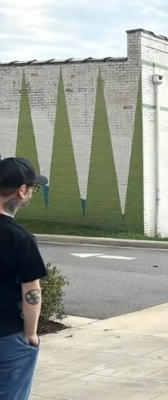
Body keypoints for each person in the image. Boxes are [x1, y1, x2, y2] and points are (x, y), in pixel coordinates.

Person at [0, 157, 49, 400]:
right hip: (6, 337)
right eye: (32, 188)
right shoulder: (20, 238)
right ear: (21, 191)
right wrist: (30, 334)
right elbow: (31, 292)